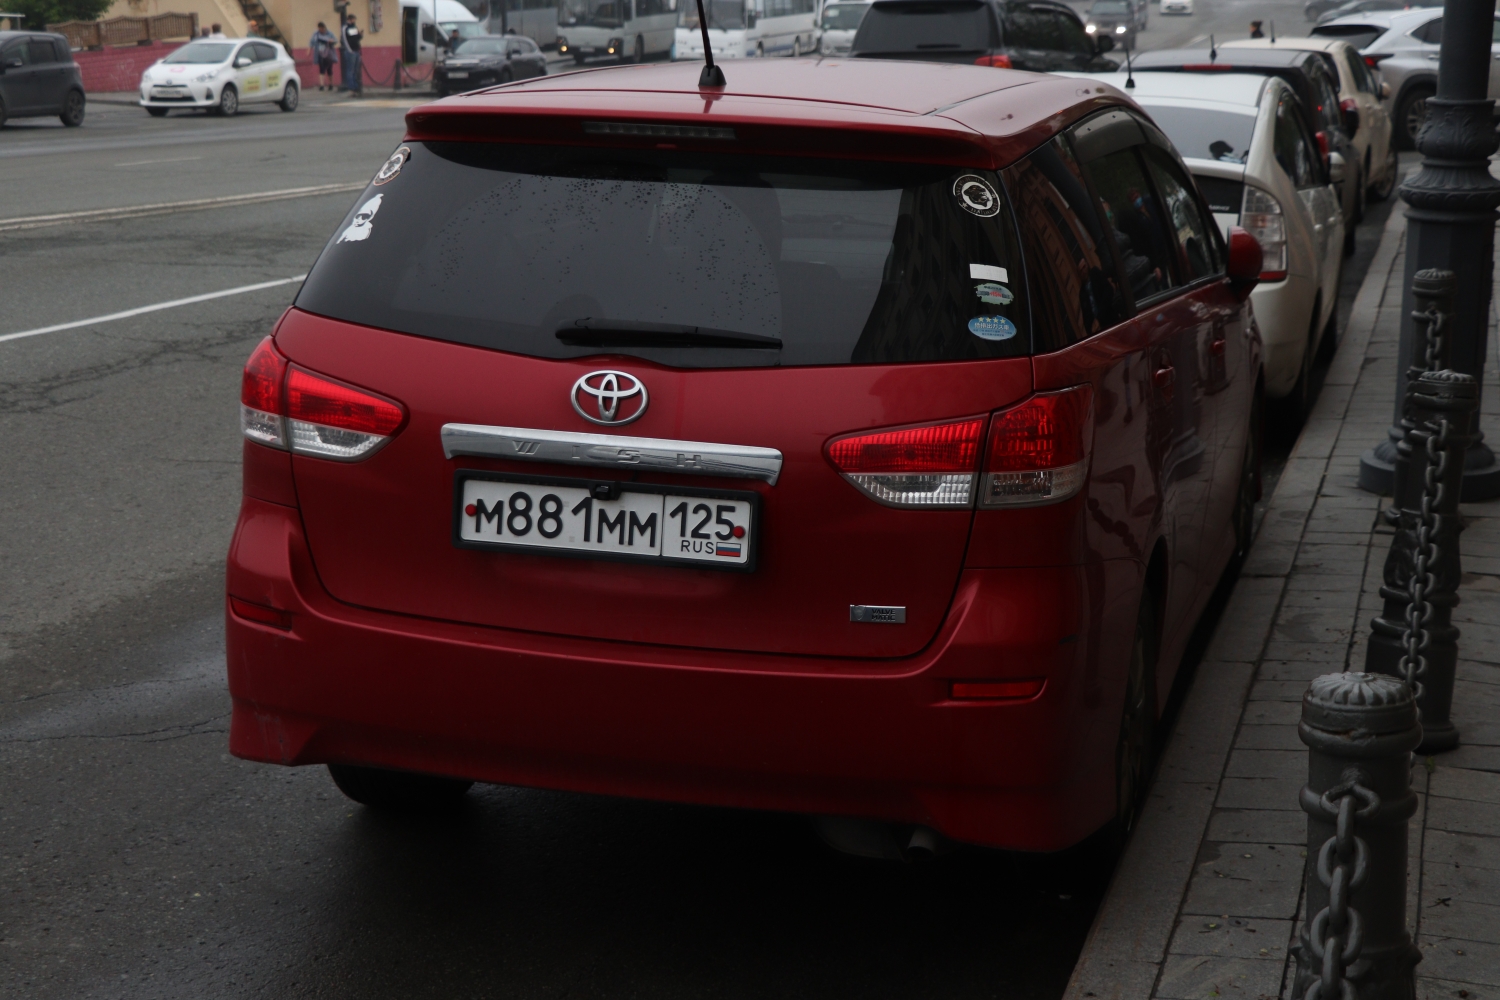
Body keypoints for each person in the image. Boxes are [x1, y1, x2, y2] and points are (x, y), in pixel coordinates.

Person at [311, 21, 338, 90]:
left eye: (322, 29)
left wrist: (331, 41)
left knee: (329, 69)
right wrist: (309, 49)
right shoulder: (316, 34)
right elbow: (312, 41)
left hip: (329, 53)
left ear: (324, 28)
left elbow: (335, 40)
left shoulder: (329, 33)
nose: (321, 30)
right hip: (320, 53)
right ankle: (322, 85)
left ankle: (331, 84)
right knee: (321, 69)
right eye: (320, 29)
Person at [342, 13, 363, 95]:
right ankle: (351, 87)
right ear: (350, 19)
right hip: (351, 51)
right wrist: (349, 50)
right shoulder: (345, 28)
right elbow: (345, 39)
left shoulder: (354, 27)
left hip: (356, 50)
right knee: (350, 70)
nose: (354, 21)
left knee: (355, 70)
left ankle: (355, 86)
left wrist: (360, 35)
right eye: (353, 19)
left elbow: (356, 38)